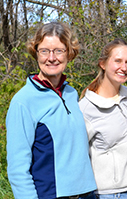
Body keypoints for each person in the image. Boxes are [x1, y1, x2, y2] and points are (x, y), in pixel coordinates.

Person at [6, 22, 97, 199]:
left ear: (69, 53)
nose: (52, 58)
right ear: (36, 53)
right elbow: (18, 168)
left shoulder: (71, 93)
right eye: (44, 51)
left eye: (59, 50)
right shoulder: (23, 101)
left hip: (87, 194)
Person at [78, 38, 127, 199]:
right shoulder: (86, 109)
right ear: (103, 64)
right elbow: (77, 158)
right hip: (114, 194)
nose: (124, 67)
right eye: (117, 61)